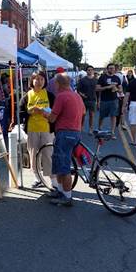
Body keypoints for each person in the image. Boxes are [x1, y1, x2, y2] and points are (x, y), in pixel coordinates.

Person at [43, 74, 85, 206]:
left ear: (57, 84)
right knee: (60, 163)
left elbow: (52, 119)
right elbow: (83, 113)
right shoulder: (76, 95)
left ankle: (67, 197)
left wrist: (45, 114)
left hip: (65, 133)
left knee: (64, 166)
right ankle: (61, 191)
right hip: (75, 132)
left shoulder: (61, 96)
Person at [18, 71, 56, 189]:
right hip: (32, 129)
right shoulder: (26, 96)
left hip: (47, 128)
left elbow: (56, 111)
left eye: (41, 79)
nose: (39, 81)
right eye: (37, 79)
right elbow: (20, 112)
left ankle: (53, 180)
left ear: (45, 81)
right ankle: (37, 177)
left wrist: (46, 112)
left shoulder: (50, 95)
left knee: (48, 154)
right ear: (32, 81)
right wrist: (29, 111)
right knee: (33, 153)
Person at [96, 63, 122, 138]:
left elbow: (121, 90)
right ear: (107, 69)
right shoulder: (102, 77)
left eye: (113, 68)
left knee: (113, 116)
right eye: (110, 68)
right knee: (102, 116)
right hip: (104, 100)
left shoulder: (117, 78)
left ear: (115, 69)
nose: (112, 69)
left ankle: (112, 132)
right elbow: (97, 88)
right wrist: (107, 87)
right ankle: (100, 129)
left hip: (114, 100)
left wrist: (116, 89)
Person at [77, 65, 98, 135]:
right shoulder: (82, 80)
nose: (90, 71)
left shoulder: (96, 80)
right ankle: (80, 128)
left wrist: (98, 101)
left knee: (91, 116)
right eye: (89, 70)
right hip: (84, 101)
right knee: (82, 115)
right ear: (86, 71)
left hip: (93, 100)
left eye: (91, 70)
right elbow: (78, 90)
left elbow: (98, 91)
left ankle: (90, 129)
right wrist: (83, 95)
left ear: (93, 71)